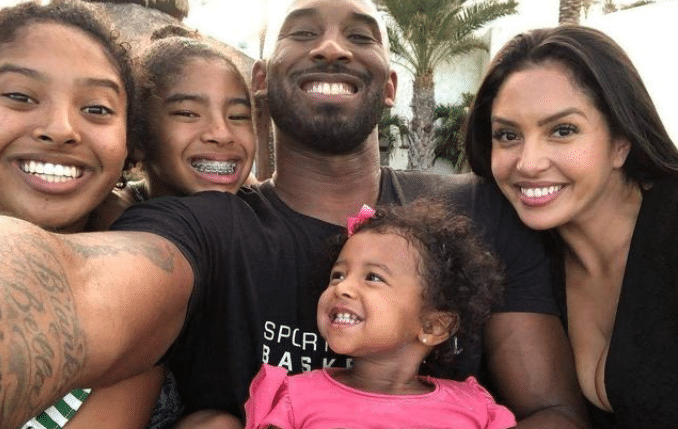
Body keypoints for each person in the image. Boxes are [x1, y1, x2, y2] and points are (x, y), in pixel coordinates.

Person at [0, 1, 587, 428]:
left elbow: (553, 410)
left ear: (390, 85)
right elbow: (77, 285)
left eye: (359, 35)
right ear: (261, 79)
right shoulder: (204, 225)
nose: (331, 48)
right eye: (303, 31)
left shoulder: (479, 210)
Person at [465, 25, 678, 428]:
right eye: (507, 135)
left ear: (621, 141)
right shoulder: (515, 256)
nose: (528, 163)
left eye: (562, 131)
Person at [0, 1, 163, 428]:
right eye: (18, 96)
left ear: (130, 143)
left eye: (96, 109)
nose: (61, 129)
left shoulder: (134, 336)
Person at [243, 200, 516, 429]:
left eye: (373, 277)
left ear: (433, 326)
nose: (342, 288)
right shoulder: (296, 397)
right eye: (338, 275)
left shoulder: (474, 408)